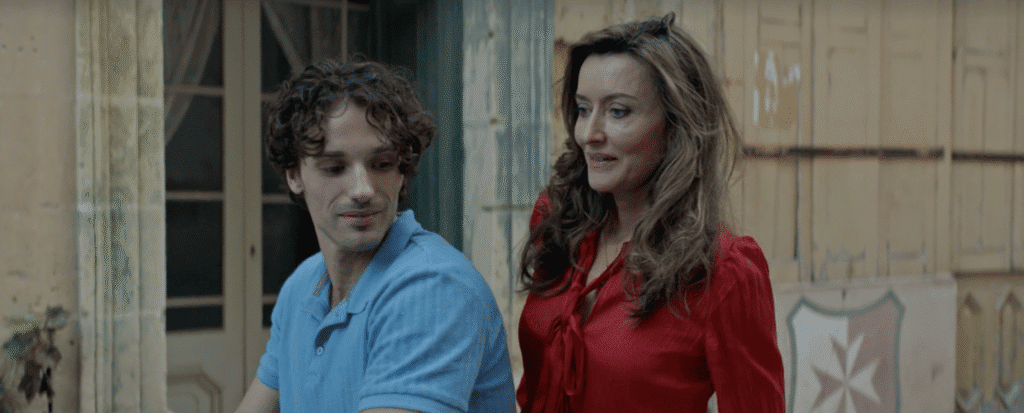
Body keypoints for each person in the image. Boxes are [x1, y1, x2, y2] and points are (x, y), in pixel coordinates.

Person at [516, 13, 785, 413]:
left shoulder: (724, 269)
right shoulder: (558, 222)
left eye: (618, 111)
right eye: (583, 108)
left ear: (675, 126)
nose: (589, 133)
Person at [236, 60, 516, 413]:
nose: (363, 189)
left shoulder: (433, 287)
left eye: (381, 163)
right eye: (334, 168)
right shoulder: (302, 287)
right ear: (294, 175)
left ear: (402, 171)